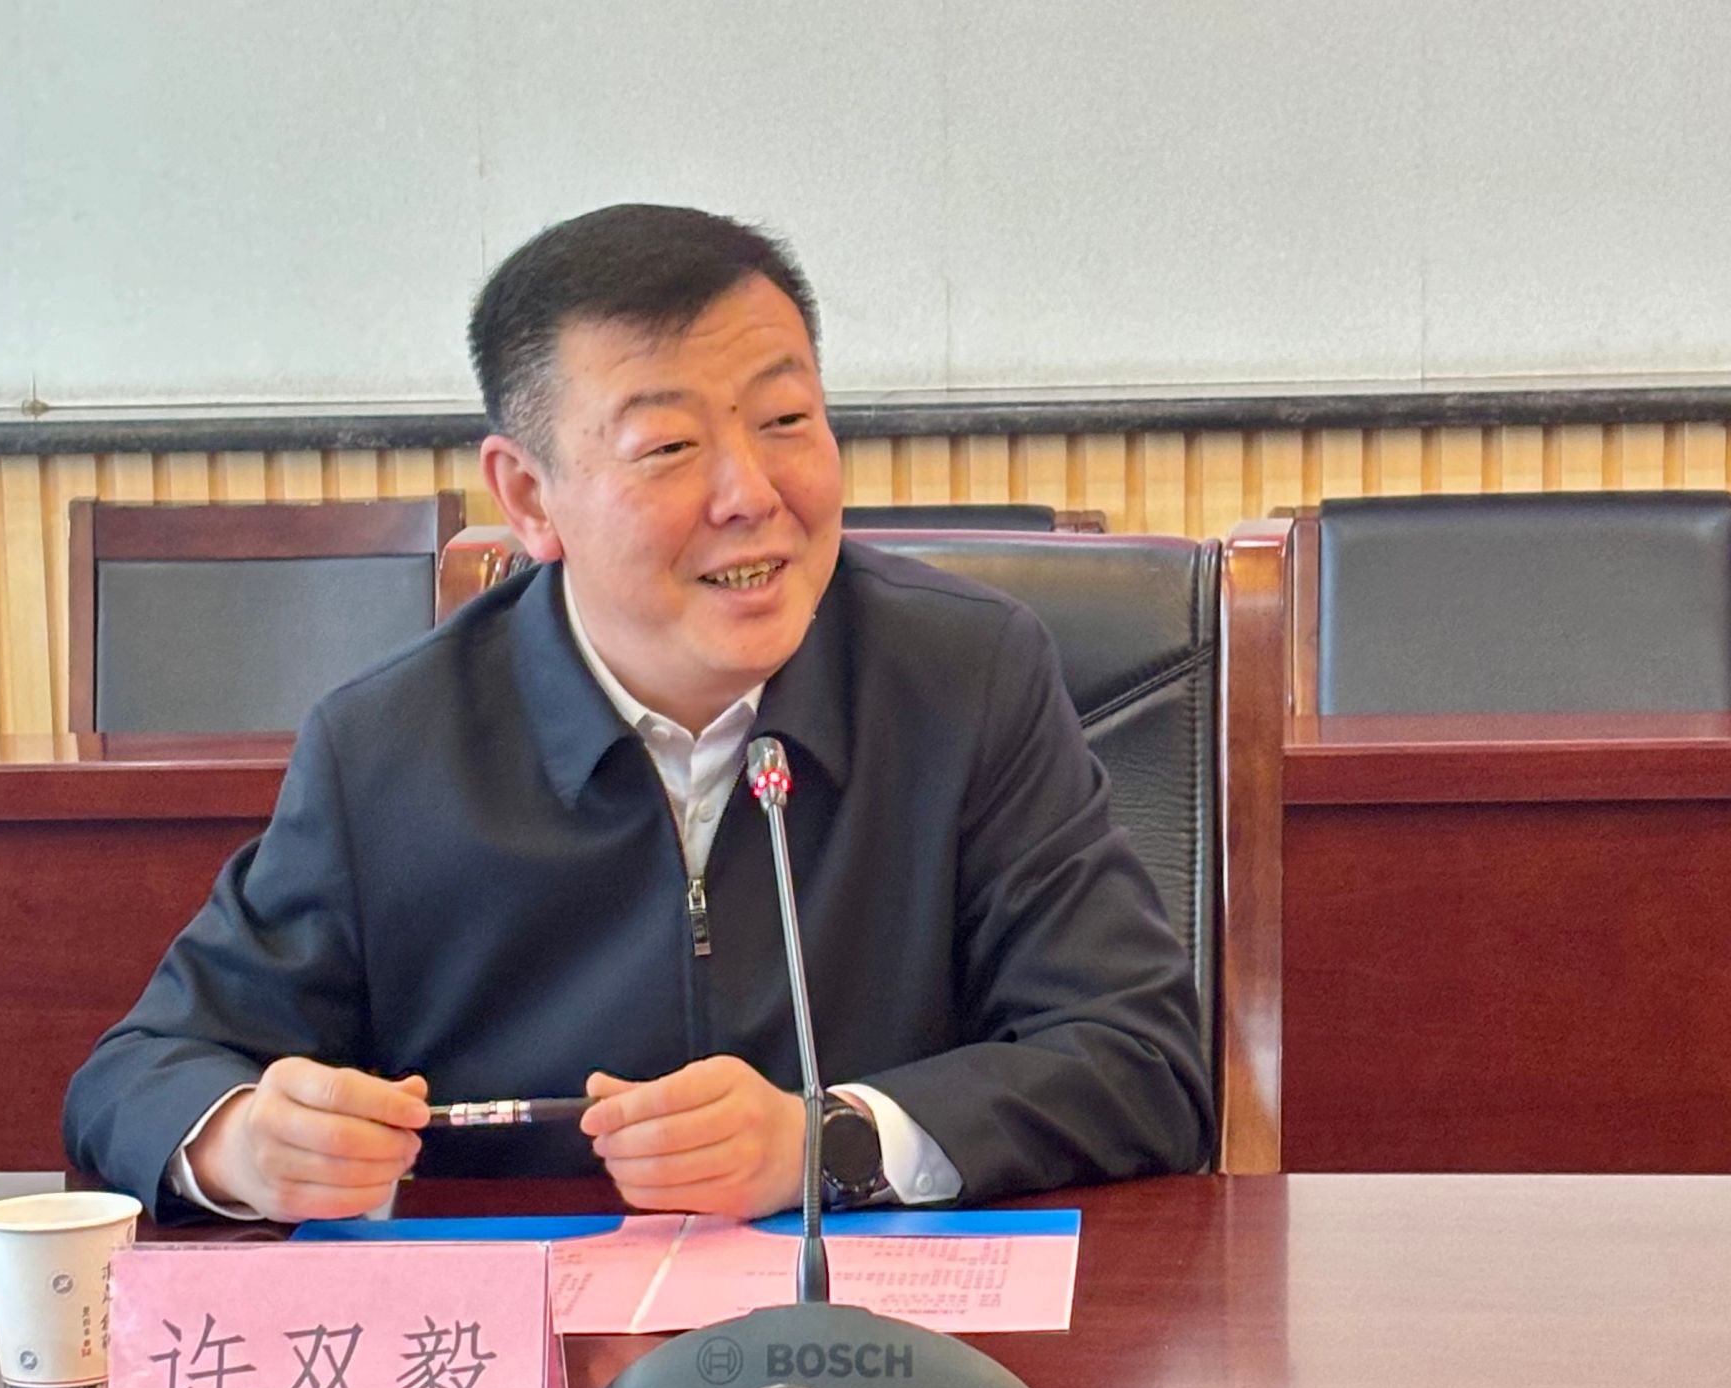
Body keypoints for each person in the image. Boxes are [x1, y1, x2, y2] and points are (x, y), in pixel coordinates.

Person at [63, 203, 1212, 1224]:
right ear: (529, 496)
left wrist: (826, 1140)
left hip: (876, 1355)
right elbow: (139, 1075)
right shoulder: (388, 749)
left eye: (785, 421)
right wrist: (243, 1143)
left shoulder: (963, 676)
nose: (750, 495)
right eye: (667, 447)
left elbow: (1143, 1062)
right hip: (536, 1369)